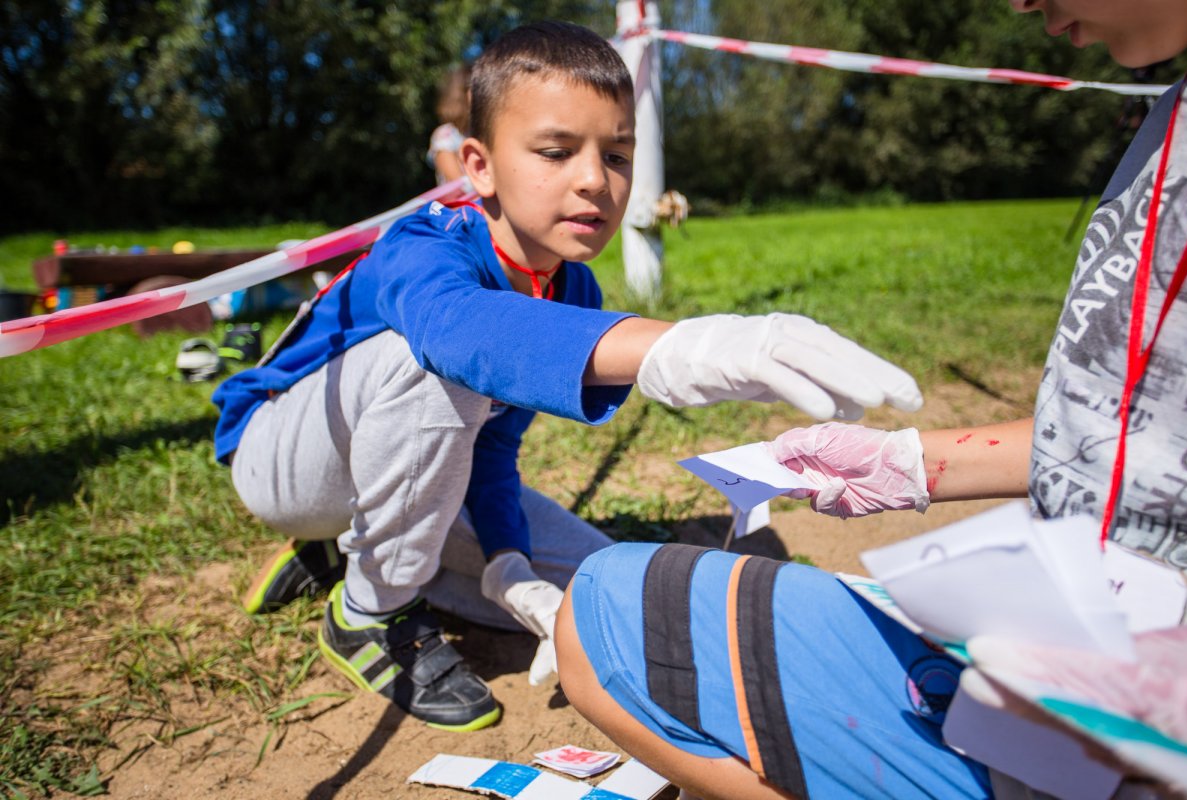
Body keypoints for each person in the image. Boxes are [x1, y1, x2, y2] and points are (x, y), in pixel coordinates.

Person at [557, 1, 1187, 796]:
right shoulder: (1176, 109)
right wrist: (906, 462)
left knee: (609, 615)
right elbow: (1151, 435)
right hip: (1075, 654)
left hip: (1140, 734)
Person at [214, 21, 923, 733]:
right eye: (555, 151)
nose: (594, 179)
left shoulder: (569, 286)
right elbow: (459, 336)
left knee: (610, 582)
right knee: (430, 365)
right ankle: (369, 614)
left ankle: (350, 551)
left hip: (396, 458)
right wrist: (673, 349)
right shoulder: (423, 244)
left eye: (617, 155)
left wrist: (509, 566)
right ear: (479, 167)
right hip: (278, 459)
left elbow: (490, 444)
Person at [428, 65, 470, 185]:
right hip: (464, 203)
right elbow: (457, 183)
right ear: (460, 93)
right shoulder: (445, 136)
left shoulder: (484, 133)